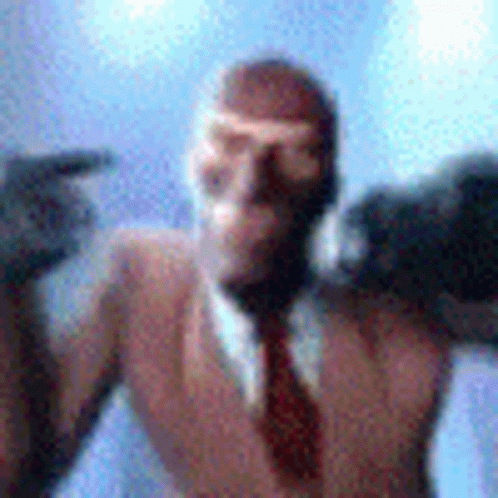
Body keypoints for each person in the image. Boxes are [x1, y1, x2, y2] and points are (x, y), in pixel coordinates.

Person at [1, 56, 497, 497]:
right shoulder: (144, 281)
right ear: (193, 164)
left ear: (328, 185)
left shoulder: (394, 322)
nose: (253, 179)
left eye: (292, 154)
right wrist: (11, 276)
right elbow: (16, 472)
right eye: (230, 144)